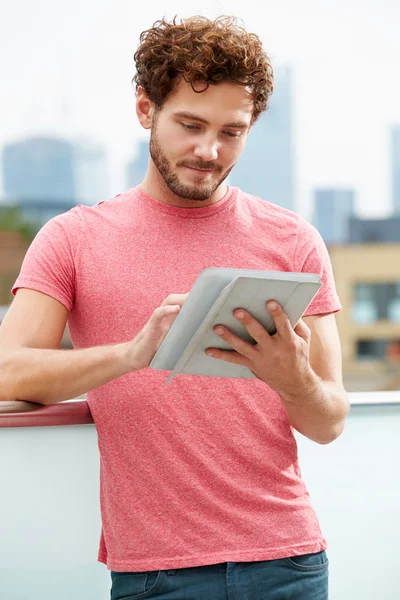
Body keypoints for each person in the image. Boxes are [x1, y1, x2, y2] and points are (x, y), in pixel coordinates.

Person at [0, 15, 349, 600]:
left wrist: (293, 381)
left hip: (289, 562)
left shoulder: (293, 241)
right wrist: (134, 354)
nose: (209, 150)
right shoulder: (72, 238)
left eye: (232, 132)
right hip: (155, 574)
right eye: (190, 124)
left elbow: (330, 420)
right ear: (145, 110)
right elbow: (8, 370)